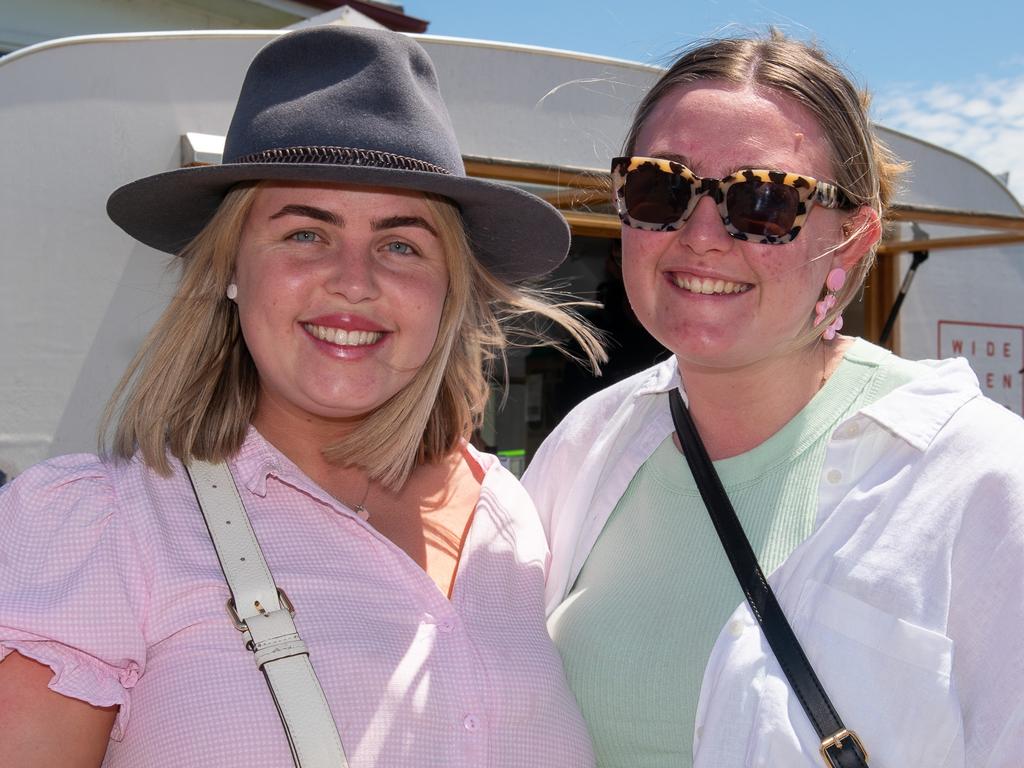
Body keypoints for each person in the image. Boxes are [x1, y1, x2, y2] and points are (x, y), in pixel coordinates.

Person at [0, 26, 601, 767]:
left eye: (402, 243)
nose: (354, 280)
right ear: (229, 271)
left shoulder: (513, 520)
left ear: (449, 292)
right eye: (304, 235)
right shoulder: (106, 528)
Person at [524, 30, 1024, 768]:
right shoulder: (589, 443)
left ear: (852, 243)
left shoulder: (979, 480)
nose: (702, 236)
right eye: (661, 187)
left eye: (763, 201)